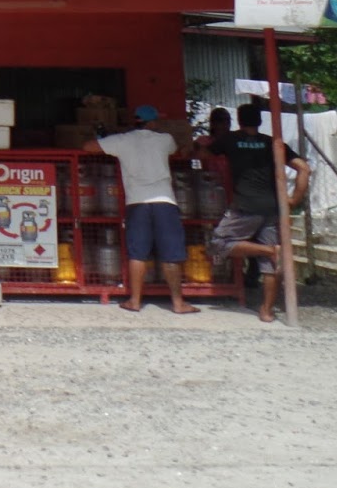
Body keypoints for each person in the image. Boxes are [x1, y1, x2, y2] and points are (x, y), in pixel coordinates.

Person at [84, 105, 198, 314]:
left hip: (136, 203)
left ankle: (134, 301)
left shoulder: (122, 140)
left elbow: (88, 146)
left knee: (138, 254)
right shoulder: (165, 140)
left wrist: (111, 142)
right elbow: (176, 149)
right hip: (165, 202)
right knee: (171, 255)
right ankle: (178, 303)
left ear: (134, 122)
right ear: (152, 122)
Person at [209, 102, 310, 323]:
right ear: (260, 121)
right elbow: (304, 168)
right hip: (272, 208)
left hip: (244, 206)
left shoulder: (230, 140)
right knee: (269, 267)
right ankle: (266, 311)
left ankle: (267, 250)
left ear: (239, 120)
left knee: (218, 242)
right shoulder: (272, 143)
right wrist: (294, 199)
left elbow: (204, 151)